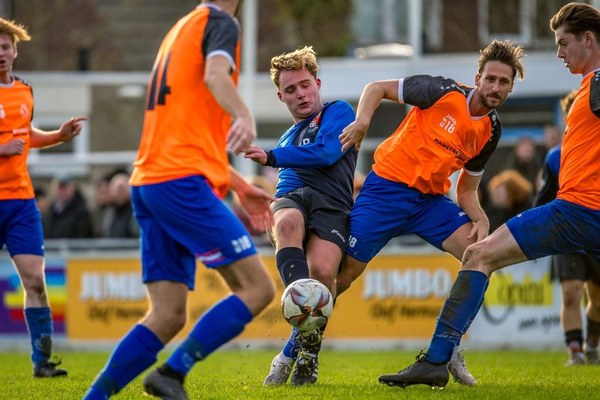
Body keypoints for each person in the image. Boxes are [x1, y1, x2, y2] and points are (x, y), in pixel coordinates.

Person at [378, 2, 600, 388]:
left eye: (563, 43)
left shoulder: (598, 83)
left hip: (578, 210)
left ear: (588, 39)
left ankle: (435, 361)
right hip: (576, 211)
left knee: (478, 256)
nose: (560, 53)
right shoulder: (587, 86)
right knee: (478, 255)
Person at [83, 2, 275, 399]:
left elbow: (187, 130)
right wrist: (244, 115)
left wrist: (238, 184)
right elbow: (215, 75)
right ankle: (172, 373)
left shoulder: (182, 28)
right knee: (257, 288)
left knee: (168, 314)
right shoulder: (220, 22)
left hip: (150, 182)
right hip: (179, 183)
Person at [337, 38, 526, 386]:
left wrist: (480, 217)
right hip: (386, 189)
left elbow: (466, 189)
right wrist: (363, 121)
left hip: (429, 204)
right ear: (478, 77)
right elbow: (375, 87)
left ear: (511, 87)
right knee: (343, 277)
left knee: (481, 255)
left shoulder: (492, 130)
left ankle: (446, 349)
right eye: (491, 79)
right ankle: (297, 352)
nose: (496, 87)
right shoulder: (441, 90)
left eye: (504, 82)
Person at [244, 45, 358, 386]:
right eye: (291, 90)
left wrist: (271, 156)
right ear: (282, 97)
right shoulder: (287, 136)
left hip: (333, 204)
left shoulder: (339, 112)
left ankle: (302, 353)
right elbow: (286, 183)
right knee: (287, 222)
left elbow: (326, 153)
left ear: (317, 83)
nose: (301, 94)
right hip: (294, 197)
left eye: (305, 85)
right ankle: (296, 308)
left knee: (324, 274)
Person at [0, 18, 85, 377]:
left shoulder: (24, 91)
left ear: (15, 51)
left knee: (35, 280)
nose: (0, 54)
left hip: (20, 202)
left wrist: (59, 137)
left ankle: (43, 363)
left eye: (5, 47)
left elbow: (27, 134)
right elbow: (11, 141)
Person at [535, 89, 600, 366]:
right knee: (571, 291)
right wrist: (534, 233)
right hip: (568, 234)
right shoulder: (554, 158)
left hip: (595, 233)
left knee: (597, 300)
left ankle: (593, 345)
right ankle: (575, 351)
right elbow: (543, 199)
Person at [43, 174, 94, 238]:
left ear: (72, 188)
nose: (62, 191)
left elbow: (82, 235)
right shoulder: (50, 210)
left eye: (64, 188)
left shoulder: (81, 212)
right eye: (59, 188)